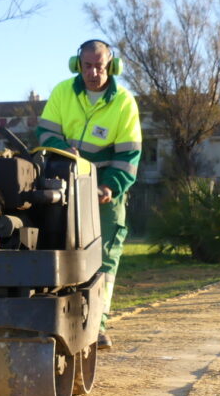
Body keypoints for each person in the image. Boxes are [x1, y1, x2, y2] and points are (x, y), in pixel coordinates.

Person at [36, 39, 142, 350]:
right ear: (77, 65)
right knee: (57, 252)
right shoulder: (62, 93)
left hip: (105, 193)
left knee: (104, 261)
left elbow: (129, 155)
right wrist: (58, 151)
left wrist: (108, 187)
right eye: (87, 66)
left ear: (112, 66)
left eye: (99, 66)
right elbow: (45, 133)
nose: (93, 72)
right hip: (64, 188)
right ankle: (58, 323)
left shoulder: (124, 102)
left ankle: (97, 326)